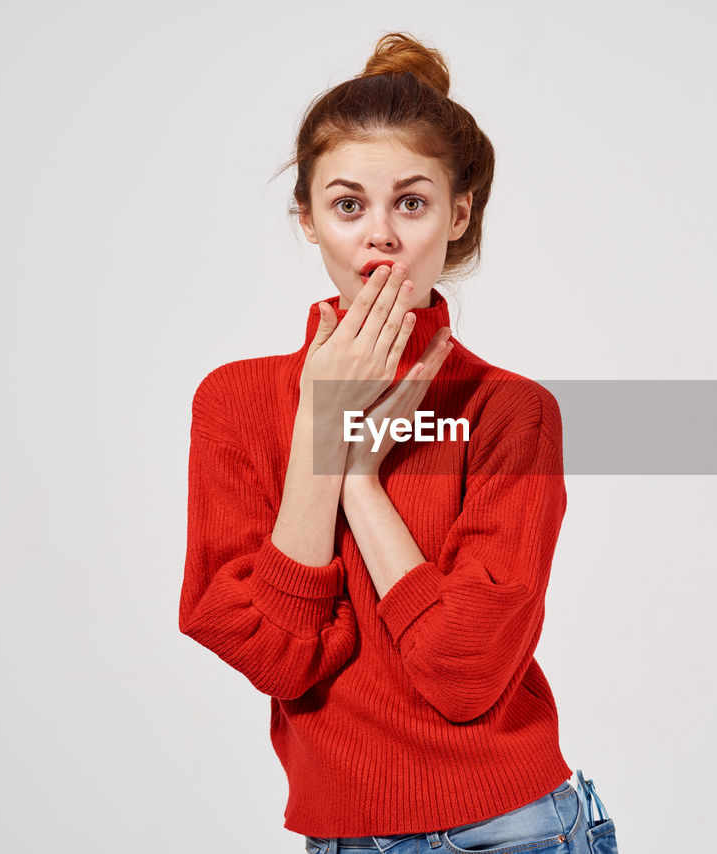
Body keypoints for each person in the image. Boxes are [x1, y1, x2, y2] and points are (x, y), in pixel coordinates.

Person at [179, 32, 603, 852]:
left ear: (459, 212)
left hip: (515, 832)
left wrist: (362, 483)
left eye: (411, 202)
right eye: (348, 205)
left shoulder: (512, 414)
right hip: (340, 838)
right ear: (307, 219)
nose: (380, 236)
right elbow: (278, 659)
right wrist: (319, 429)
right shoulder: (234, 403)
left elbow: (466, 671)